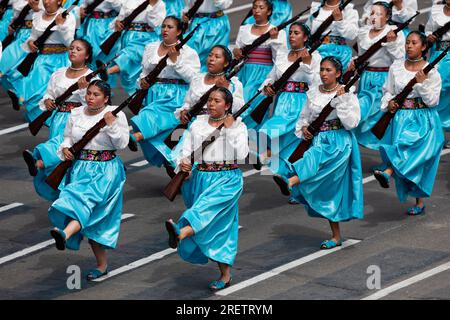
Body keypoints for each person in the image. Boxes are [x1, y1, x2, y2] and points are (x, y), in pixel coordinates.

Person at [272, 56, 363, 249]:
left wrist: (341, 101)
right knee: (326, 188)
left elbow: (352, 123)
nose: (323, 73)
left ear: (338, 73)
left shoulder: (348, 94)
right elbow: (304, 116)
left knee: (313, 159)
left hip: (338, 143)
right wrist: (304, 128)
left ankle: (290, 181)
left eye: (328, 70)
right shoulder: (313, 93)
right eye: (322, 69)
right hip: (318, 139)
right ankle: (336, 236)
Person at [165, 87, 249, 291]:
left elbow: (242, 154)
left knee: (204, 211)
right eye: (209, 100)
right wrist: (183, 164)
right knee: (214, 223)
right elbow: (185, 150)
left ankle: (182, 232)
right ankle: (225, 274)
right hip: (201, 177)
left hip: (227, 178)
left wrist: (228, 130)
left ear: (227, 105)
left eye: (217, 101)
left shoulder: (238, 126)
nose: (211, 104)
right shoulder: (198, 123)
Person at [48, 80, 129, 281]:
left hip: (105, 170)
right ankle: (102, 265)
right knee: (82, 208)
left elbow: (122, 143)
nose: (90, 98)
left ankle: (65, 234)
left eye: (96, 95)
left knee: (83, 202)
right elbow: (68, 137)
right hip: (80, 167)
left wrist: (111, 125)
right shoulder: (76, 114)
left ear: (106, 98)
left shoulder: (115, 115)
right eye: (89, 93)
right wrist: (66, 148)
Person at [373, 31, 444, 215]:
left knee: (415, 157)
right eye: (407, 42)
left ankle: (389, 171)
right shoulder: (396, 67)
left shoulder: (432, 71)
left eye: (414, 43)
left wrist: (421, 83)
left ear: (423, 47)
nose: (409, 46)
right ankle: (416, 199)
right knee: (404, 152)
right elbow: (387, 90)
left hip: (423, 119)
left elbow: (433, 101)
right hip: (401, 117)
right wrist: (389, 103)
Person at [253, 22, 322, 205]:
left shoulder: (314, 57)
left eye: (296, 33)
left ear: (305, 37)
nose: (292, 36)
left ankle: (287, 178)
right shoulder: (283, 55)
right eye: (290, 32)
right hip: (283, 102)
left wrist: (306, 64)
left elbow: (316, 82)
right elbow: (272, 76)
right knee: (274, 132)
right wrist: (267, 87)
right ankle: (269, 159)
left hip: (301, 104)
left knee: (292, 141)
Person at [22, 39, 95, 201]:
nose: (73, 51)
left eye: (78, 49)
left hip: (77, 120)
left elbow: (94, 103)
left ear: (87, 55)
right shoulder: (59, 73)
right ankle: (64, 199)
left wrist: (84, 90)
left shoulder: (91, 77)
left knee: (62, 146)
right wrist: (48, 101)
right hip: (58, 118)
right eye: (71, 48)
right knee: (63, 160)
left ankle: (39, 163)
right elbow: (49, 94)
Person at [128, 16, 200, 169]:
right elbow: (144, 71)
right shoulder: (151, 47)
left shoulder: (188, 52)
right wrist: (142, 82)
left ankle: (137, 136)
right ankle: (168, 158)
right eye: (163, 26)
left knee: (151, 119)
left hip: (175, 94)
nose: (165, 30)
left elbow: (193, 77)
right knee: (158, 129)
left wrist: (176, 60)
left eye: (170, 27)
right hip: (153, 93)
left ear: (179, 31)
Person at [0, 0, 76, 122]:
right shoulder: (38, 15)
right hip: (42, 60)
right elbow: (33, 37)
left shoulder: (67, 16)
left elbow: (69, 42)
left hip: (60, 60)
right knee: (34, 95)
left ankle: (56, 122)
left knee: (59, 94)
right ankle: (43, 119)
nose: (46, 2)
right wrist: (30, 42)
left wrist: (60, 25)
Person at [351, 1, 405, 150]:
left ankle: (377, 142)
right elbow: (362, 55)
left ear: (388, 17)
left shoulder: (393, 32)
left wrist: (392, 43)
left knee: (376, 110)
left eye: (379, 14)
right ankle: (359, 138)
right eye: (372, 13)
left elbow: (400, 57)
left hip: (384, 77)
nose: (374, 17)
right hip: (366, 76)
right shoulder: (363, 32)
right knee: (363, 107)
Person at [105, 0, 166, 95]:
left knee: (130, 55)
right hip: (128, 35)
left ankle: (108, 71)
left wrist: (152, 6)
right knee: (129, 74)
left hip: (145, 37)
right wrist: (117, 22)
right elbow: (121, 17)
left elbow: (156, 24)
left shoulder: (159, 3)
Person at [76, 0, 122, 87]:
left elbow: (124, 8)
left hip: (109, 25)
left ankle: (105, 90)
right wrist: (80, 9)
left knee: (106, 58)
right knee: (90, 55)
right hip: (91, 25)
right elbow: (79, 4)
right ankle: (89, 88)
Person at [306, 0, 359, 70]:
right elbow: (306, 32)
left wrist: (340, 20)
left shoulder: (349, 10)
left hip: (338, 53)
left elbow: (352, 35)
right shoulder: (316, 8)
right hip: (316, 51)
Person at [425, 0, 450, 148]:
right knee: (436, 91)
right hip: (439, 54)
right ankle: (435, 133)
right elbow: (428, 30)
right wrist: (429, 36)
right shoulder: (435, 10)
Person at [182, 0, 232, 72]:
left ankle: (214, 81)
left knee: (216, 57)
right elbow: (189, 4)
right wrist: (186, 12)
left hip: (217, 24)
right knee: (193, 55)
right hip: (197, 23)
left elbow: (225, 4)